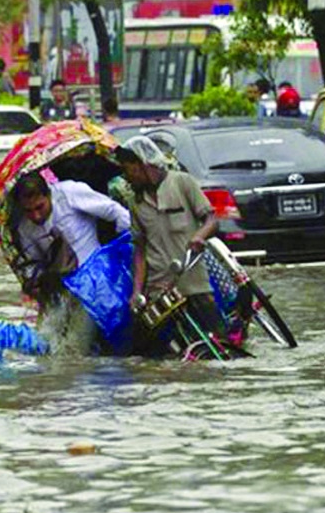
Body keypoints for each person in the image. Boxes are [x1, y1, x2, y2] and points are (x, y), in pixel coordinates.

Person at [114, 136, 224, 356]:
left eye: (129, 170)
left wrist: (199, 237)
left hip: (193, 283)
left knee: (219, 343)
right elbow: (140, 250)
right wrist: (136, 292)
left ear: (144, 163)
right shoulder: (135, 202)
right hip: (159, 288)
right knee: (148, 354)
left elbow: (211, 220)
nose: (127, 177)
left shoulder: (182, 183)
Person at [14, 171, 131, 306]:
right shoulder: (24, 228)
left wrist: (125, 251)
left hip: (102, 278)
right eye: (29, 211)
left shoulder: (70, 193)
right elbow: (32, 265)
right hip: (66, 295)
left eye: (40, 207)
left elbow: (116, 213)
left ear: (49, 195)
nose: (36, 216)